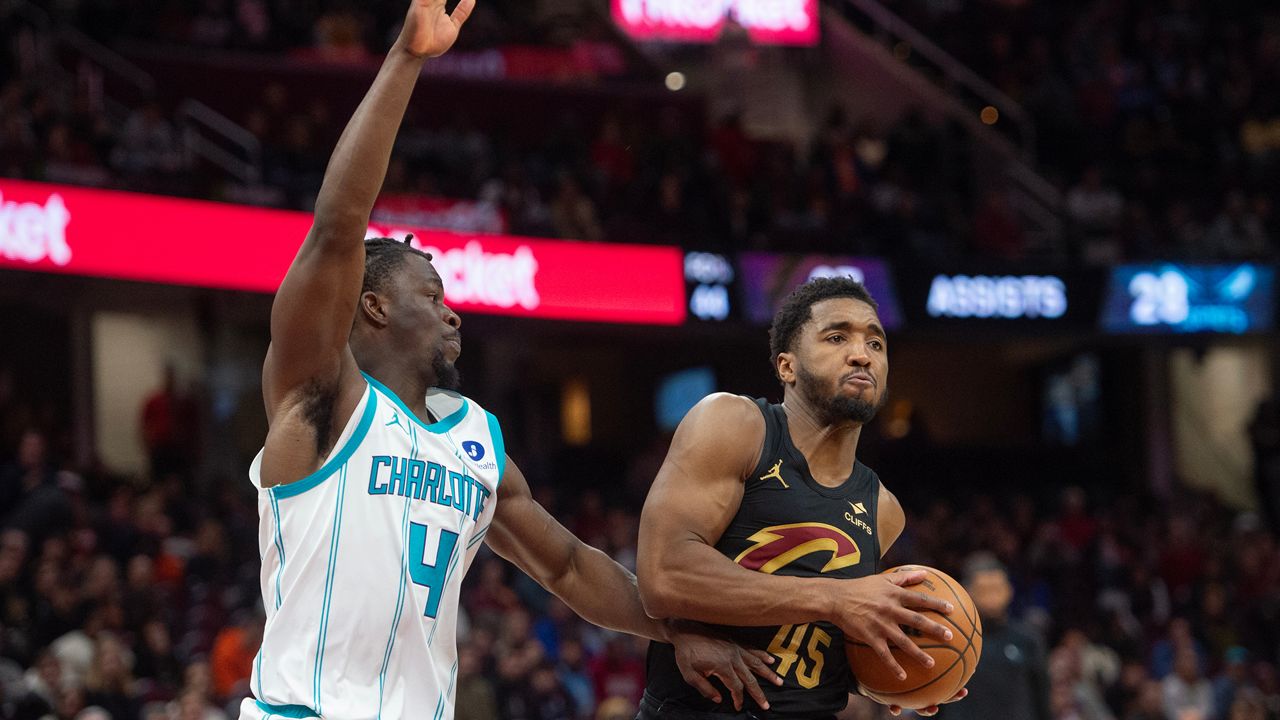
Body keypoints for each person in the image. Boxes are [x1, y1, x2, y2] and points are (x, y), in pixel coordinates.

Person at [238, 2, 775, 719]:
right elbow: (338, 227)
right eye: (432, 296)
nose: (453, 312)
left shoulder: (475, 439)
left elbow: (569, 565)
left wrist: (675, 631)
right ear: (373, 306)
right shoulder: (323, 399)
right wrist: (406, 58)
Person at [637, 277, 967, 719]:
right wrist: (836, 598)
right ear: (786, 367)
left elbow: (813, 639)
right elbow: (664, 577)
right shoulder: (736, 425)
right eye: (837, 337)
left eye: (876, 343)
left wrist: (894, 674)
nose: (861, 354)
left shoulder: (884, 509)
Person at [937, 553, 1050, 720]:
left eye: (996, 589)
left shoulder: (1028, 639)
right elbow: (933, 702)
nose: (992, 597)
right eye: (984, 590)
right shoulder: (948, 639)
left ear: (1009, 590)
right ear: (967, 592)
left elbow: (1042, 702)